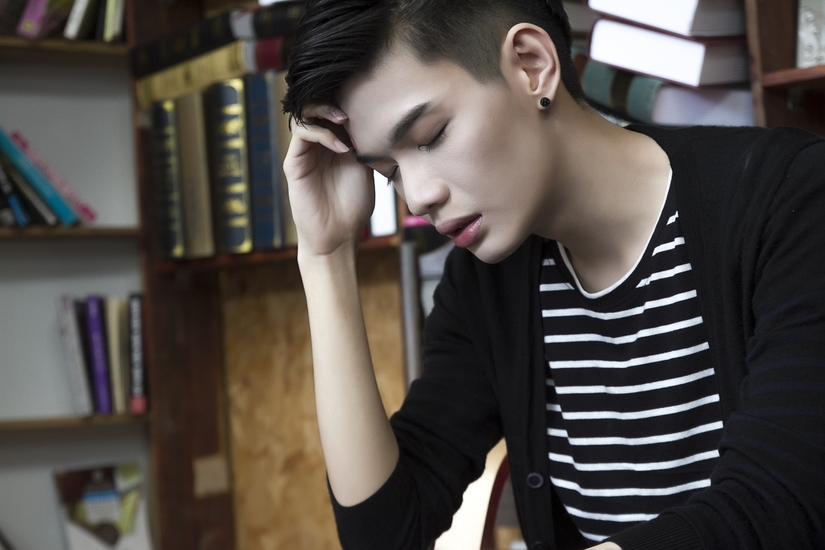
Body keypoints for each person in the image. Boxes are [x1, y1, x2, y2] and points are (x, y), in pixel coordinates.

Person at [279, 0, 825, 548]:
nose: (417, 197)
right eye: (390, 170)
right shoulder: (486, 284)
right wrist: (327, 255)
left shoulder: (792, 198)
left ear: (531, 64)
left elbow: (778, 505)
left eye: (431, 134)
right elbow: (388, 533)